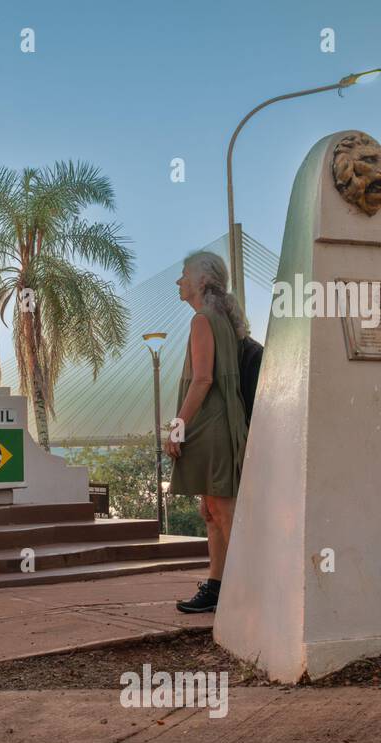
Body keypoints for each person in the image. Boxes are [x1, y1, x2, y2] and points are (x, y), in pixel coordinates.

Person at [166, 251, 249, 613]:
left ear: (201, 281)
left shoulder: (203, 319)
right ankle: (217, 586)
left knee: (223, 510)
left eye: (184, 275)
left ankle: (249, 593)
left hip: (211, 425)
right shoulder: (223, 319)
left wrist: (177, 427)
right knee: (212, 510)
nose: (178, 281)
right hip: (225, 421)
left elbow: (202, 379)